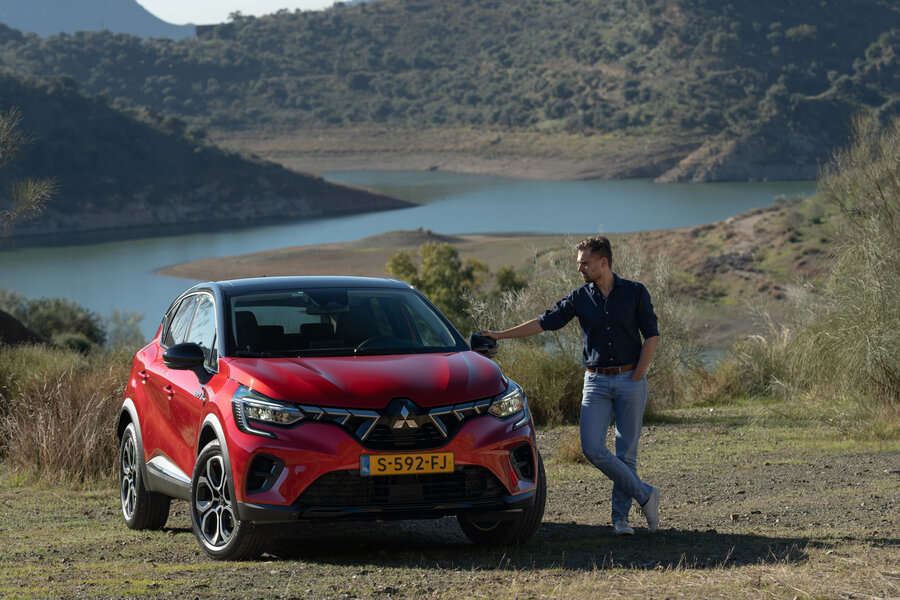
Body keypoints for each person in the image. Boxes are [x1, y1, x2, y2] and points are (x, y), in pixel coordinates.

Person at [480, 236, 660, 536]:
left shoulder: (635, 292)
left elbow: (651, 335)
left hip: (631, 379)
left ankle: (621, 520)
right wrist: (500, 335)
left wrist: (638, 374)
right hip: (596, 382)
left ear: (603, 262)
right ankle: (645, 494)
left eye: (585, 263)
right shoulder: (579, 297)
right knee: (592, 447)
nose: (580, 269)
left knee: (626, 454)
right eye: (579, 263)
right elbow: (544, 322)